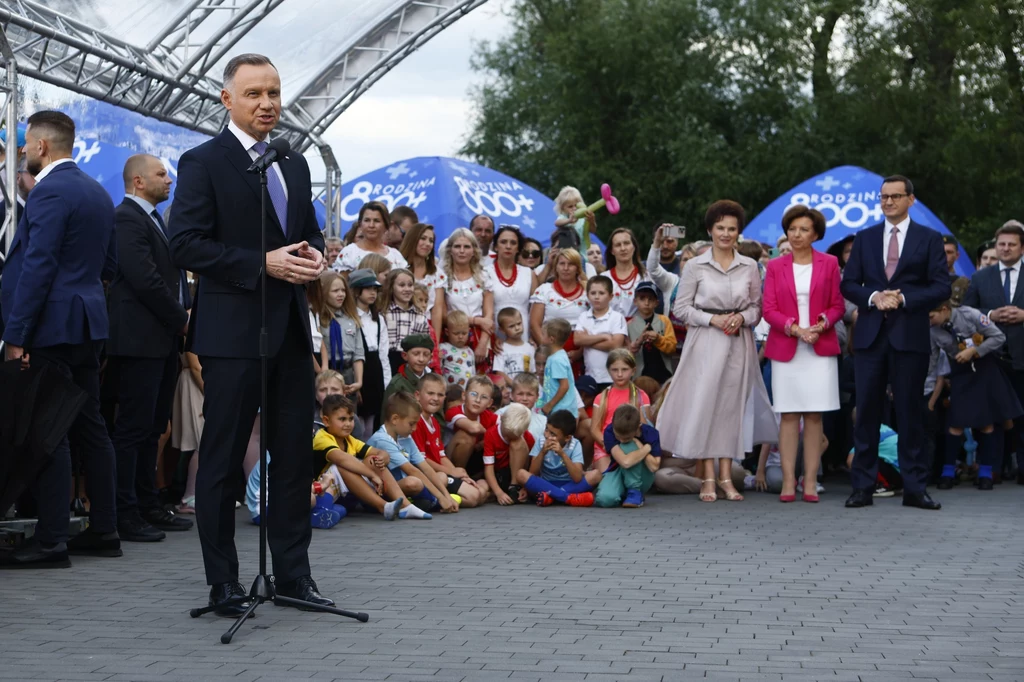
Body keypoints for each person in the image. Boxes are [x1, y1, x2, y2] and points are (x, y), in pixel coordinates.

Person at [167, 54, 333, 612]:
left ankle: (292, 576)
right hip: (231, 334)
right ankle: (223, 583)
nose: (267, 104)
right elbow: (184, 243)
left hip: (288, 333)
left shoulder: (293, 160)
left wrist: (313, 255)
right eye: (255, 94)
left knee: (293, 456)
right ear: (228, 100)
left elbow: (308, 231)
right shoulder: (202, 162)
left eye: (274, 93)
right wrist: (261, 262)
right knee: (221, 460)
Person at [0, 110, 119, 569]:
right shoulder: (95, 191)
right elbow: (109, 266)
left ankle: (52, 541)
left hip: (50, 326)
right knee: (90, 424)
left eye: (27, 144)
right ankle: (105, 528)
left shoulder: (50, 192)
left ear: (43, 147)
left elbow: (38, 267)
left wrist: (16, 335)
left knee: (48, 430)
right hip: (87, 325)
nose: (24, 151)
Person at [840, 175, 952, 510]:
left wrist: (902, 299)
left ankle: (915, 488)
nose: (888, 202)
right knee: (867, 413)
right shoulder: (865, 238)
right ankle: (863, 486)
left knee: (909, 414)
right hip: (871, 335)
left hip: (910, 335)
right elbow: (849, 285)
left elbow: (941, 287)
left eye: (895, 196)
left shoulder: (930, 239)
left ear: (910, 200)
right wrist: (875, 296)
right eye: (884, 197)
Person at [656, 200, 777, 504]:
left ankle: (727, 476)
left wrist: (742, 318)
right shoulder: (696, 265)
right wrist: (712, 319)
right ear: (710, 230)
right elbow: (680, 308)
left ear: (739, 232)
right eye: (720, 227)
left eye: (732, 229)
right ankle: (707, 476)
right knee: (705, 406)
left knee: (731, 408)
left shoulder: (749, 266)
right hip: (705, 341)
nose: (725, 233)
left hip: (739, 342)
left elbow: (756, 307)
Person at [106, 153, 194, 541]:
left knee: (154, 426)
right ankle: (126, 512)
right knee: (133, 427)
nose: (169, 180)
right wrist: (183, 318)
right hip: (139, 338)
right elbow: (145, 279)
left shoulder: (155, 220)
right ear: (138, 181)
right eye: (161, 174)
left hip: (160, 340)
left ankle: (148, 503)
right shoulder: (126, 217)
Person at [761, 205, 845, 503]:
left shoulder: (830, 263)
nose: (797, 235)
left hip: (819, 348)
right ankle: (787, 482)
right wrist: (797, 330)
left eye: (804, 230)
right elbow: (768, 309)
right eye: (792, 229)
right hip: (788, 346)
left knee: (814, 416)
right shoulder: (774, 266)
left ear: (816, 234)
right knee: (788, 415)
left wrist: (822, 325)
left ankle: (810, 482)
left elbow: (838, 305)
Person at [928, 301, 1022, 490]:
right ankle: (948, 471)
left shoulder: (970, 315)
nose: (929, 321)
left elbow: (998, 336)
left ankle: (986, 472)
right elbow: (933, 359)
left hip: (983, 370)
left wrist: (975, 350)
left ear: (944, 310)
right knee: (956, 422)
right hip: (960, 372)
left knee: (985, 421)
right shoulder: (933, 330)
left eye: (932, 316)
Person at [963, 221, 1024, 485]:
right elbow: (966, 312)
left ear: (1022, 248)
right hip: (992, 357)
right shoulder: (980, 277)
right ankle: (993, 469)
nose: (1006, 249)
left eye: (1012, 244)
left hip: (1022, 355)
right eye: (1002, 244)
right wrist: (990, 316)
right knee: (994, 416)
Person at [313, 394, 420, 520]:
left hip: (346, 494)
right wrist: (372, 475)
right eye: (342, 419)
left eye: (351, 419)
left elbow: (380, 452)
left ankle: (405, 506)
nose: (348, 424)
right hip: (320, 491)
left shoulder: (350, 440)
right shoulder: (321, 437)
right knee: (342, 466)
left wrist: (382, 458)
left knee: (373, 460)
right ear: (326, 421)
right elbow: (342, 459)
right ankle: (383, 506)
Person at [367, 392, 458, 514]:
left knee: (441, 476)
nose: (414, 428)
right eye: (412, 423)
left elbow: (425, 467)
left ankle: (426, 501)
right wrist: (441, 497)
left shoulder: (405, 437)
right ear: (395, 419)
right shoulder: (382, 440)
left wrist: (447, 496)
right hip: (378, 492)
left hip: (403, 487)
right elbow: (412, 470)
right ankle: (432, 501)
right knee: (413, 482)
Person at [412, 373, 486, 507]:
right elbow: (420, 460)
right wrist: (451, 472)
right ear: (417, 395)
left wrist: (459, 474)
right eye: (430, 393)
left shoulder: (434, 421)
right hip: (428, 475)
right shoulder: (415, 421)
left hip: (440, 473)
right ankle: (430, 500)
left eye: (440, 395)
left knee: (480, 492)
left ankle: (436, 500)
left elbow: (441, 455)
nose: (435, 398)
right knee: (474, 496)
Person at [515, 409, 599, 506]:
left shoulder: (575, 444)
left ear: (567, 438)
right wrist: (542, 452)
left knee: (596, 475)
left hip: (569, 484)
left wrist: (562, 454)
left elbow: (577, 478)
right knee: (521, 474)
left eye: (553, 434)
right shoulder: (541, 441)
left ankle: (552, 497)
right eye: (546, 430)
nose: (547, 436)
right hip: (544, 484)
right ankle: (567, 498)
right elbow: (533, 473)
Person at [587, 349, 652, 471]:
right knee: (608, 479)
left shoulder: (641, 396)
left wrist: (627, 446)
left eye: (625, 369)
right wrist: (612, 446)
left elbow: (645, 428)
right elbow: (595, 429)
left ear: (633, 371)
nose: (620, 374)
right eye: (615, 370)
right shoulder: (601, 398)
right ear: (608, 370)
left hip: (632, 446)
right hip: (605, 447)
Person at [440, 227, 494, 365]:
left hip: (480, 336)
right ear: (450, 250)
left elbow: (488, 317)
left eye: (466, 247)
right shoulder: (442, 277)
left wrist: (482, 344)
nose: (462, 251)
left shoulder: (484, 277)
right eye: (457, 246)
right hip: (452, 338)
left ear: (474, 251)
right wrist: (476, 320)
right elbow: (444, 316)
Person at [593, 404, 662, 508]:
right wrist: (645, 448)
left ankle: (635, 492)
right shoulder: (609, 430)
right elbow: (625, 462)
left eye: (626, 437)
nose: (621, 440)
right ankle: (623, 494)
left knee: (628, 446)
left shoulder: (651, 433)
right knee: (605, 499)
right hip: (619, 470)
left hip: (643, 475)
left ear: (638, 426)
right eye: (618, 436)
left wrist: (637, 444)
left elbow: (654, 467)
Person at [350, 268, 390, 434]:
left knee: (372, 419)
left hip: (375, 371)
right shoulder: (351, 316)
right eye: (368, 289)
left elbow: (383, 353)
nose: (372, 293)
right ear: (357, 291)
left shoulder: (378, 318)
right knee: (357, 418)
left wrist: (386, 382)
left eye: (375, 289)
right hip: (359, 369)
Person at [574, 275, 628, 388]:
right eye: (593, 293)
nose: (596, 297)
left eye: (601, 293)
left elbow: (615, 345)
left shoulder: (617, 317)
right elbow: (577, 340)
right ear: (587, 295)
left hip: (611, 377)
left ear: (611, 296)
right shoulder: (584, 316)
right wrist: (603, 336)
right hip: (590, 375)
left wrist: (587, 339)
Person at [529, 248, 590, 346]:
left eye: (570, 264)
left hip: (581, 347)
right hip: (550, 346)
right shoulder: (544, 290)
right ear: (556, 267)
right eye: (562, 263)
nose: (566, 268)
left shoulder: (588, 291)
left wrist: (579, 352)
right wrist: (548, 349)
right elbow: (534, 325)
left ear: (578, 268)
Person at [485, 225, 538, 335]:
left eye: (513, 243)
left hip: (524, 334)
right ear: (495, 246)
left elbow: (535, 311)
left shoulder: (529, 273)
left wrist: (534, 337)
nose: (508, 246)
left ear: (518, 248)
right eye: (503, 242)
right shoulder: (484, 273)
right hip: (494, 334)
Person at [316, 271, 364, 393]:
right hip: (325, 372)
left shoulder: (351, 318)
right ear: (324, 292)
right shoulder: (317, 318)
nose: (341, 294)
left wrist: (358, 382)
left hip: (347, 373)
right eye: (335, 291)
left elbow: (358, 354)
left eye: (343, 290)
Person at [479, 403, 535, 505]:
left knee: (518, 442)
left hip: (519, 474)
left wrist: (525, 488)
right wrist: (498, 492)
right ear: (502, 419)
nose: (508, 439)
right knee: (481, 488)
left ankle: (514, 487)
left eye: (513, 436)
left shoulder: (528, 437)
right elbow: (489, 468)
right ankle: (501, 494)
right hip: (499, 474)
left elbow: (533, 466)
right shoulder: (491, 434)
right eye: (506, 435)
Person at [333, 201, 408, 272]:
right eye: (367, 220)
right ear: (360, 224)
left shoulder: (395, 256)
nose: (371, 225)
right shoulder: (349, 253)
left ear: (386, 225)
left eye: (376, 221)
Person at [444, 374, 498, 471]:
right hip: (448, 460)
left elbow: (507, 427)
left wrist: (484, 442)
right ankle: (457, 479)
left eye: (484, 397)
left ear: (490, 403)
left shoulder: (488, 415)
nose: (477, 400)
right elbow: (474, 428)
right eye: (473, 394)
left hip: (472, 460)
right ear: (464, 395)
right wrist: (488, 436)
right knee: (467, 436)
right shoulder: (453, 411)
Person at [399, 222, 445, 332]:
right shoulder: (398, 267)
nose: (427, 243)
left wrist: (436, 344)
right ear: (412, 239)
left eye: (431, 240)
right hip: (400, 325)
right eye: (423, 238)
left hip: (426, 329)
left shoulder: (437, 274)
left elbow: (437, 311)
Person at [383, 268, 430, 374]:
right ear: (391, 287)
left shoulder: (420, 315)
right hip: (388, 360)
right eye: (402, 285)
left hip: (412, 362)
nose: (407, 289)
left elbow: (425, 343)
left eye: (410, 285)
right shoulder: (384, 313)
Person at [628, 282, 676, 385]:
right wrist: (637, 343)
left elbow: (672, 348)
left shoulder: (664, 320)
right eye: (642, 298)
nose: (646, 302)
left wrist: (659, 339)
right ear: (635, 301)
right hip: (639, 377)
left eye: (650, 299)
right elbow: (626, 354)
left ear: (656, 303)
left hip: (663, 374)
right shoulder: (629, 325)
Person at [539, 318, 581, 418]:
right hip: (558, 410)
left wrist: (549, 405)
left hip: (560, 411)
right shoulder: (558, 356)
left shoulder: (557, 360)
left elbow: (564, 386)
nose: (541, 336)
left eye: (543, 334)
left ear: (551, 339)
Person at [603, 227, 648, 318]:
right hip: (610, 329)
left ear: (634, 247)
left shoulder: (645, 276)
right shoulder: (604, 278)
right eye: (618, 245)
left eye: (626, 243)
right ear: (612, 251)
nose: (623, 248)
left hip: (639, 329)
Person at [382, 334, 433, 408]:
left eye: (426, 354)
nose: (421, 359)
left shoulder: (434, 381)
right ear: (405, 356)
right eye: (416, 354)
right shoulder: (397, 385)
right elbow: (389, 416)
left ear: (430, 357)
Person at [491, 308, 537, 380]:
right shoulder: (500, 348)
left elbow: (533, 371)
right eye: (511, 326)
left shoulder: (530, 348)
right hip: (509, 390)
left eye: (519, 323)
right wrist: (514, 385)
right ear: (502, 330)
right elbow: (499, 372)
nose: (517, 328)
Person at [552, 186, 597, 254]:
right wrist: (569, 221)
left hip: (581, 253)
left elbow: (593, 230)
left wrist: (592, 221)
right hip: (566, 253)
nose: (574, 208)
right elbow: (557, 223)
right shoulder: (564, 217)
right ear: (562, 208)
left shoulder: (583, 218)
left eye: (576, 205)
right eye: (570, 206)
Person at [439, 310, 477, 389]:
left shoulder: (470, 352)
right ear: (447, 332)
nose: (460, 337)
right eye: (456, 333)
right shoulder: (443, 348)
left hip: (467, 392)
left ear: (469, 331)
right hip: (450, 393)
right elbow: (438, 370)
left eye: (464, 333)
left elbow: (473, 373)